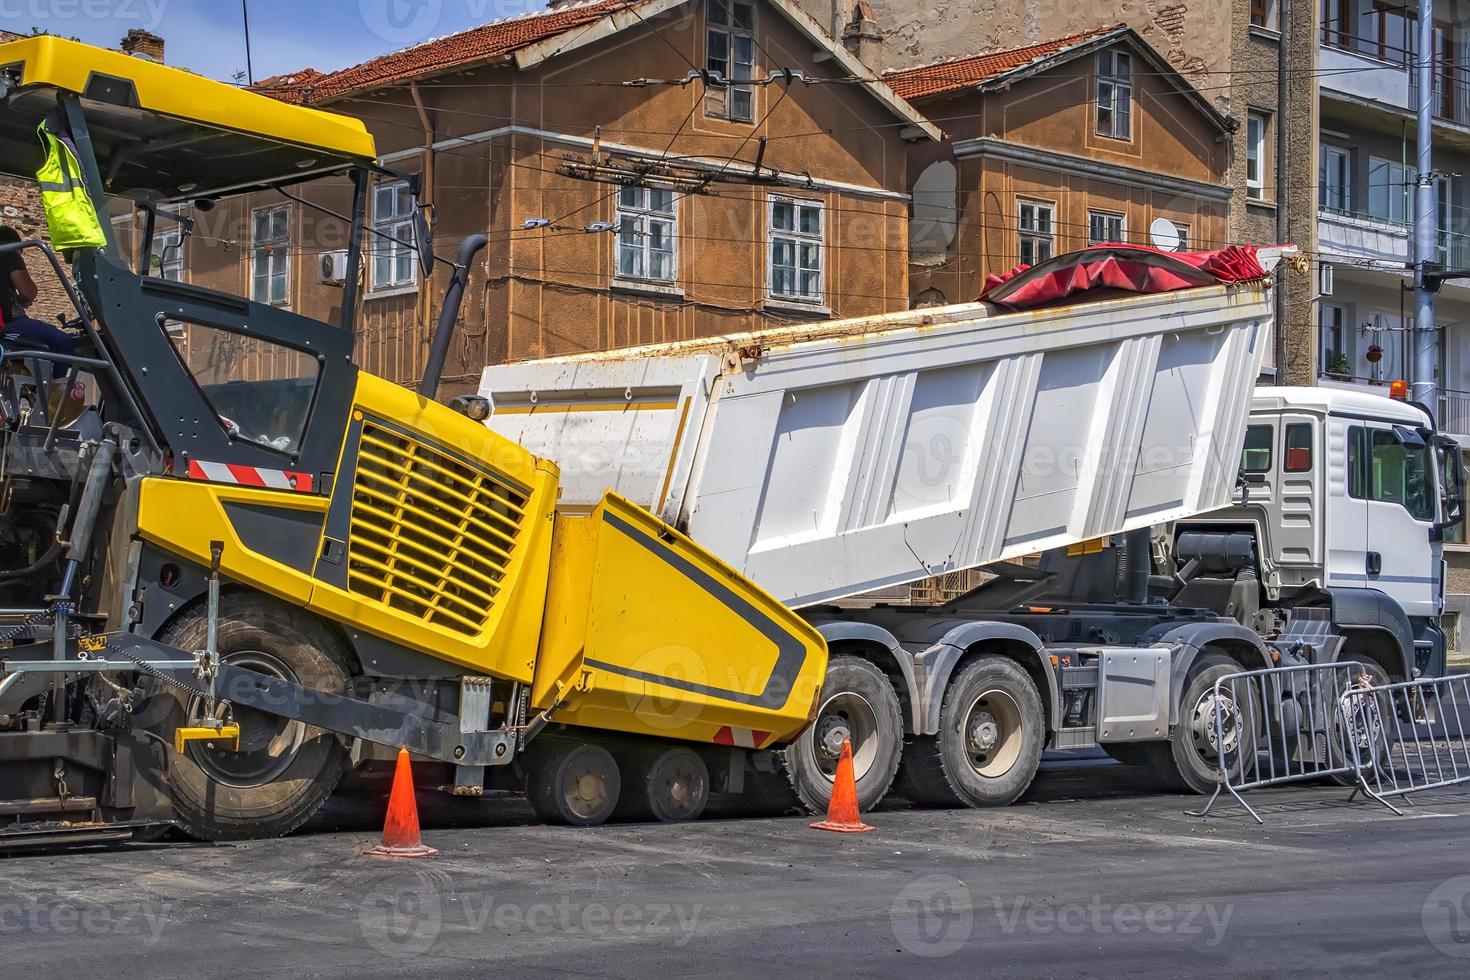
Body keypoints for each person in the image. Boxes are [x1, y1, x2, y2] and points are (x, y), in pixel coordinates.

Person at [0, 225, 78, 365]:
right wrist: (23, 299)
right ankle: (56, 385)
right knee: (61, 340)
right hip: (7, 325)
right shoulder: (9, 254)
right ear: (16, 246)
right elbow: (28, 292)